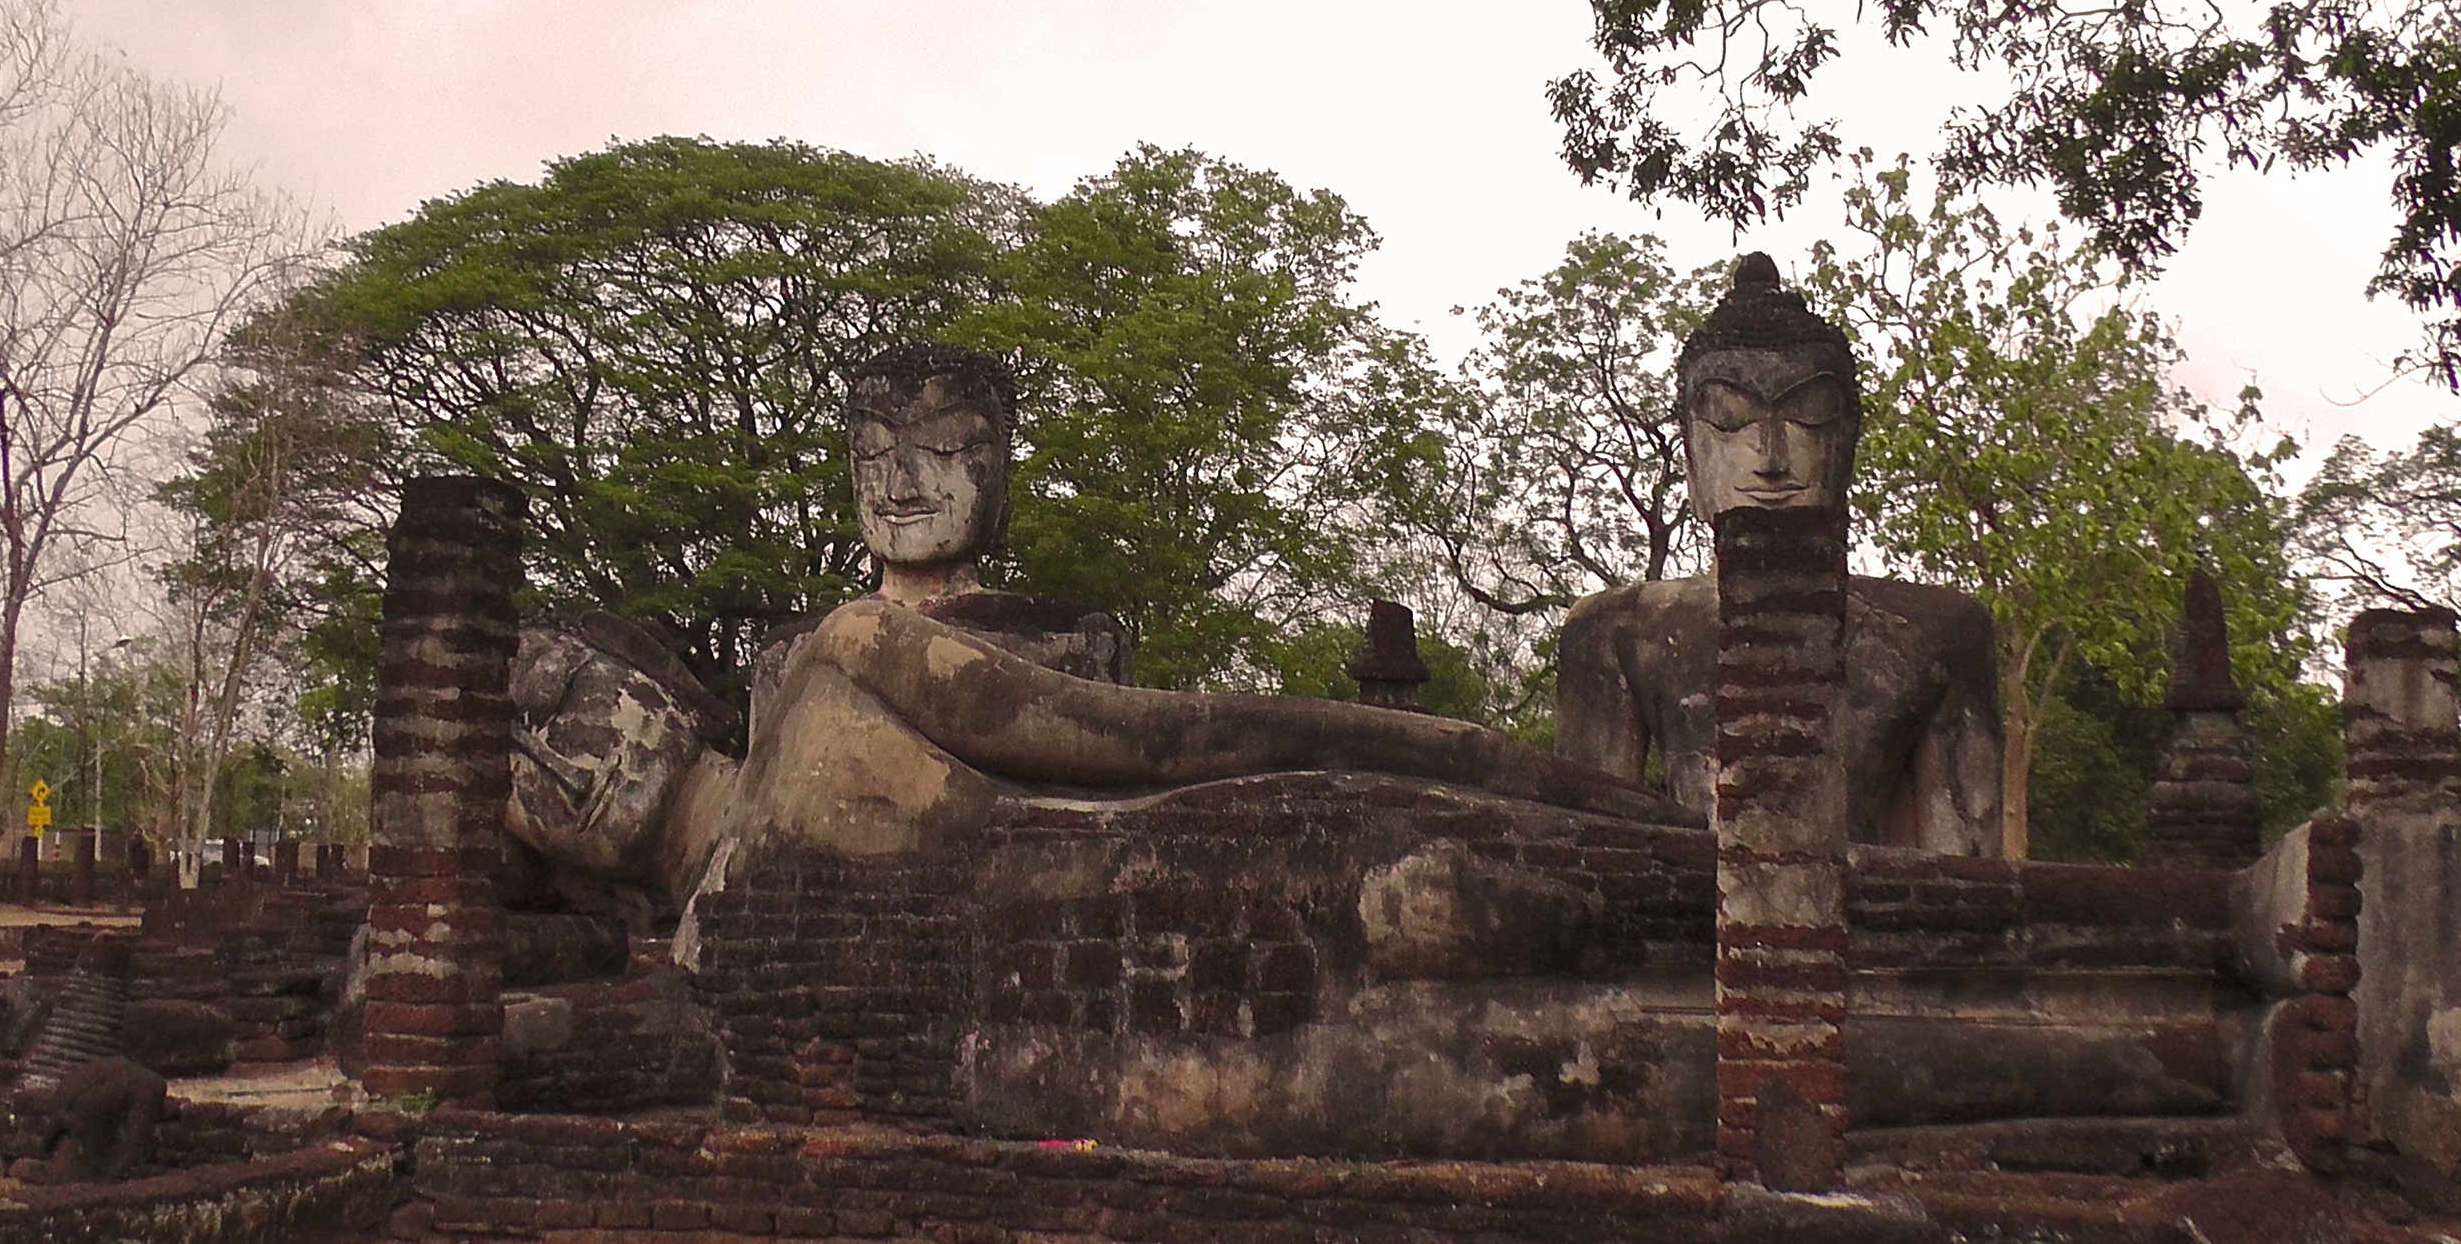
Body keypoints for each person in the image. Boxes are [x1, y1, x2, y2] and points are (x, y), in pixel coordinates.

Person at [656, 343, 1690, 902]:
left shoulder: (1064, 636)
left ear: (999, 464)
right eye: (876, 449)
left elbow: (1151, 766)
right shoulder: (799, 654)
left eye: (941, 445)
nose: (905, 480)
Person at [1552, 254, 2004, 855]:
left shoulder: (1938, 636)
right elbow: (1600, 860)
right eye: (1730, 421)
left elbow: (1961, 878)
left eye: (1807, 417)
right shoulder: (1616, 633)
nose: (1769, 457)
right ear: (1690, 456)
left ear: (1846, 448)